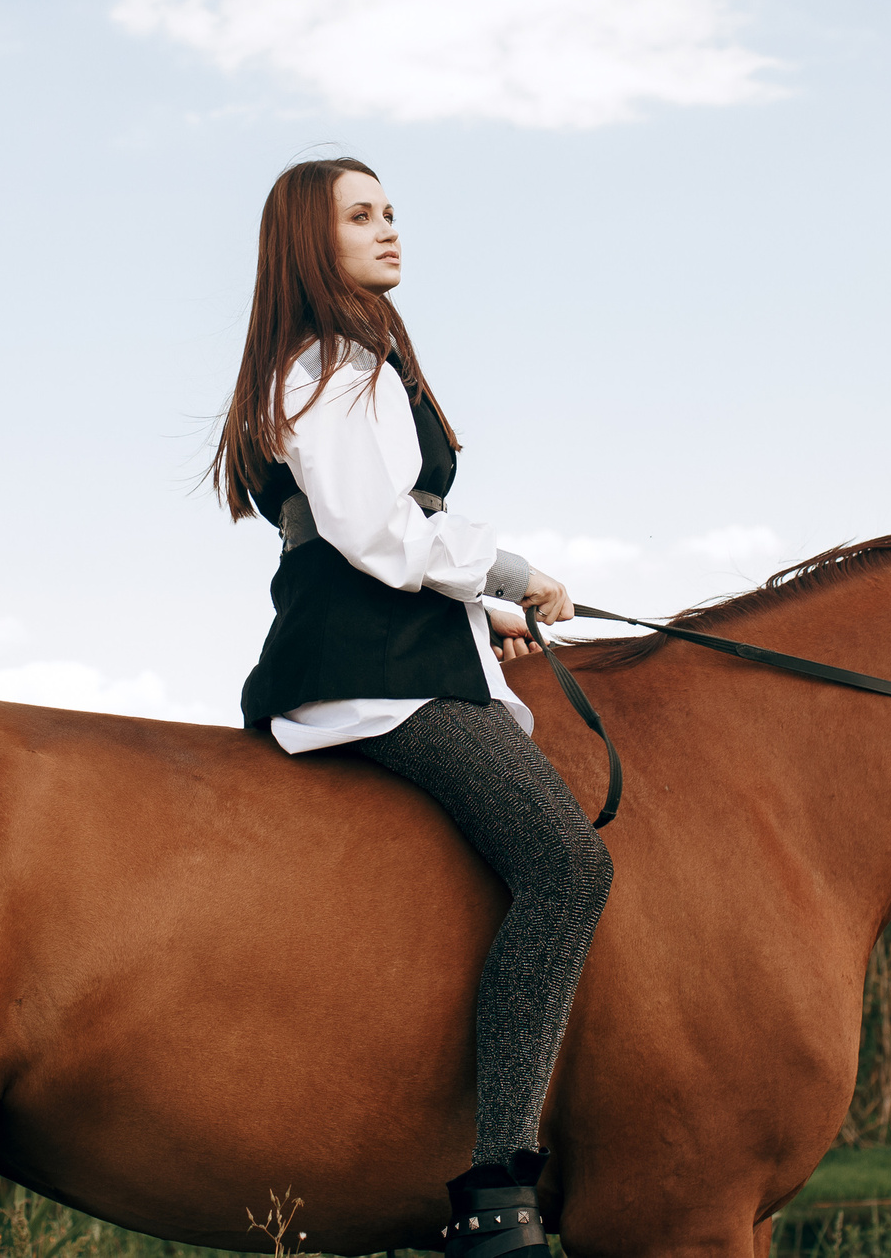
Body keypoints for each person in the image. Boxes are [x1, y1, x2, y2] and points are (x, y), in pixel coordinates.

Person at [211, 157, 613, 1258]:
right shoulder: (338, 365)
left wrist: (483, 618)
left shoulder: (336, 362)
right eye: (359, 215)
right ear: (309, 238)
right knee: (568, 867)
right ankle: (497, 1187)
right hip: (379, 671)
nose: (388, 229)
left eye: (389, 211)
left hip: (399, 652)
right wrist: (510, 570)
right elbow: (376, 532)